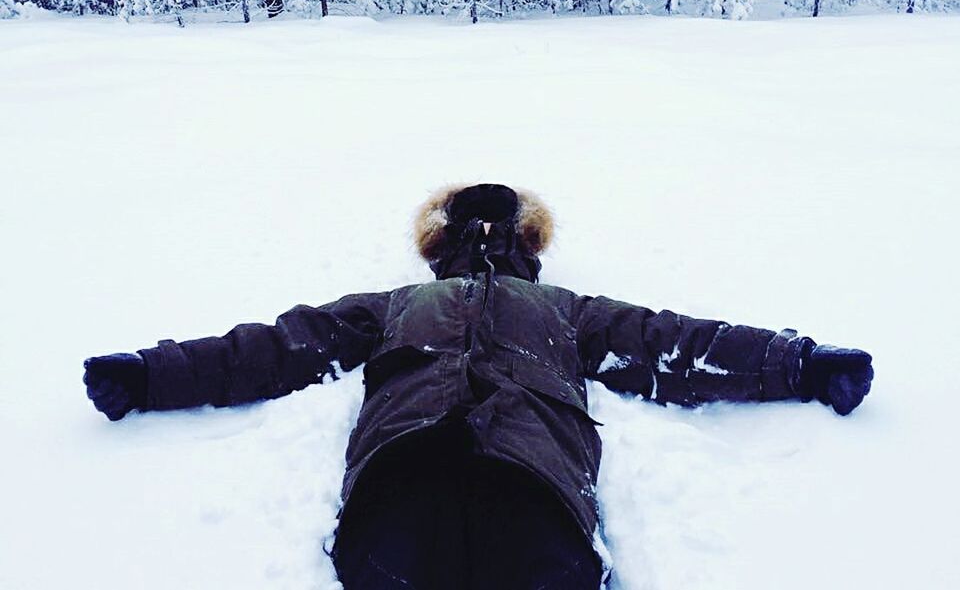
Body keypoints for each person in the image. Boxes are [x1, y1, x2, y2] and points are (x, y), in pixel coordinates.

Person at [84, 183, 873, 590]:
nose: (484, 239)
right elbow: (276, 348)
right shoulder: (395, 304)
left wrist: (800, 362)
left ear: (524, 245)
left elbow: (675, 345)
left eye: (497, 228)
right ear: (447, 244)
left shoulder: (567, 310)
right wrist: (153, 374)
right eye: (471, 228)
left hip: (534, 490)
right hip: (403, 483)